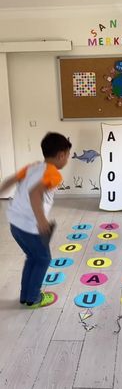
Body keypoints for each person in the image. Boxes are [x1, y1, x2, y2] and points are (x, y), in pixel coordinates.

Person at [0, 132, 72, 308]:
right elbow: (35, 193)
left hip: (15, 223)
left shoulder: (33, 167)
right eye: (68, 156)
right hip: (30, 226)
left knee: (32, 257)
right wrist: (41, 221)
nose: (67, 160)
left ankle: (26, 296)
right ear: (61, 155)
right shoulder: (54, 174)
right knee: (43, 259)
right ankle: (33, 298)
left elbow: (10, 180)